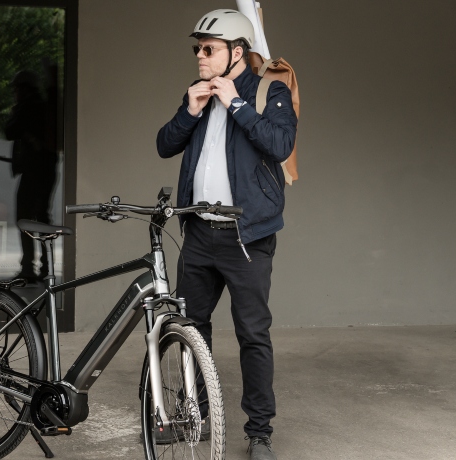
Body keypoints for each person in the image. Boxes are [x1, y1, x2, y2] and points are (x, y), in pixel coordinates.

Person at [156, 9, 297, 460]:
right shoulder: (197, 94)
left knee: (253, 334)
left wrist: (235, 102)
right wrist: (191, 109)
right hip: (198, 233)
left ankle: (259, 434)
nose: (199, 55)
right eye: (197, 48)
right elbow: (165, 144)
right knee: (189, 327)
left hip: (246, 237)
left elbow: (280, 145)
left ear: (237, 52)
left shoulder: (267, 91)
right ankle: (194, 417)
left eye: (209, 48)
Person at [5, 70, 59, 282]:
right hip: (45, 169)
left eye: (17, 88)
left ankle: (29, 268)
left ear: (24, 89)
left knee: (26, 219)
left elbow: (10, 130)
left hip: (34, 171)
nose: (15, 93)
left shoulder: (29, 107)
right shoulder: (42, 106)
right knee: (41, 218)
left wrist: (16, 110)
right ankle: (46, 267)